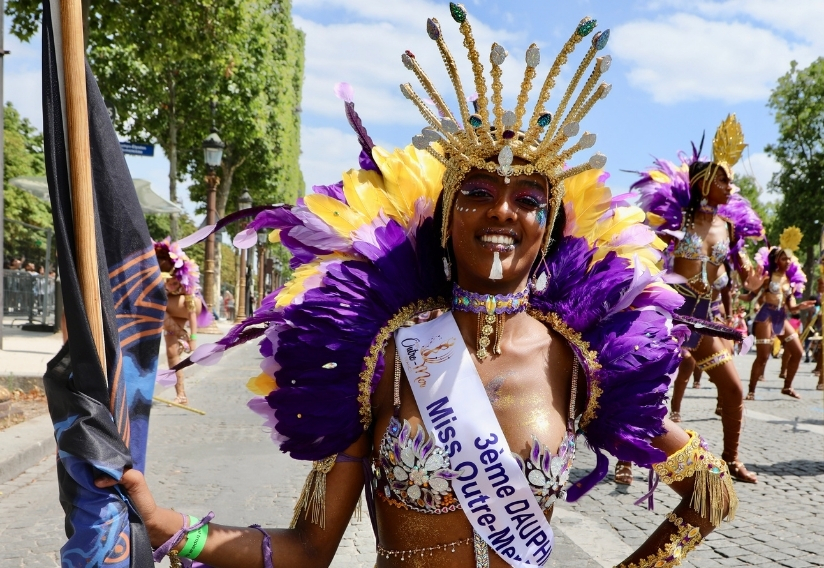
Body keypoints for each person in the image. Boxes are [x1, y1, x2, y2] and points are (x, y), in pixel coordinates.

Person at [99, 9, 737, 567]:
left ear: (551, 225)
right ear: (445, 216)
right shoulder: (379, 356)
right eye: (479, 194)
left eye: (528, 200)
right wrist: (171, 530)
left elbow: (711, 493)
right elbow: (308, 549)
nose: (503, 212)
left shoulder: (579, 362)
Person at [630, 115, 765, 485]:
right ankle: (626, 455)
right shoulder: (677, 217)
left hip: (705, 319)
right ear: (703, 182)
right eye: (723, 178)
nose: (730, 184)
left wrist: (753, 280)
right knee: (643, 386)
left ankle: (732, 460)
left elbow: (739, 275)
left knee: (734, 390)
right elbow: (647, 255)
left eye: (730, 179)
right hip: (671, 314)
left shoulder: (730, 227)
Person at [747, 231, 814, 400]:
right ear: (777, 261)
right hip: (766, 316)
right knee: (762, 356)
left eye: (789, 259)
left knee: (797, 352)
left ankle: (787, 387)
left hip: (781, 317)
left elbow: (791, 308)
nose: (787, 261)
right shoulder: (768, 277)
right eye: (784, 258)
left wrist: (801, 306)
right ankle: (751, 391)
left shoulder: (790, 281)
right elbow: (752, 293)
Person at [154, 238, 213, 405]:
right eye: (166, 282)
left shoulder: (185, 281)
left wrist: (193, 338)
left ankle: (183, 336)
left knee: (159, 305)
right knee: (172, 354)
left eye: (173, 283)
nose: (170, 286)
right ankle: (181, 394)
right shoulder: (159, 277)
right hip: (171, 312)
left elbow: (192, 313)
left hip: (191, 306)